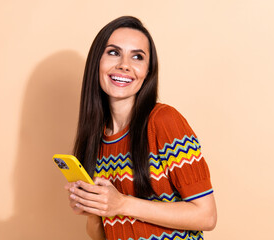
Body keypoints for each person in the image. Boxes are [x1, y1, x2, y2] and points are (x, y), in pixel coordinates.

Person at [65, 16, 217, 240]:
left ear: (147, 72)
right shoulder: (96, 138)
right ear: (96, 61)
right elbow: (100, 235)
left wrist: (122, 204)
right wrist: (93, 210)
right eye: (114, 52)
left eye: (137, 57)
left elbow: (206, 216)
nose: (124, 65)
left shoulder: (164, 121)